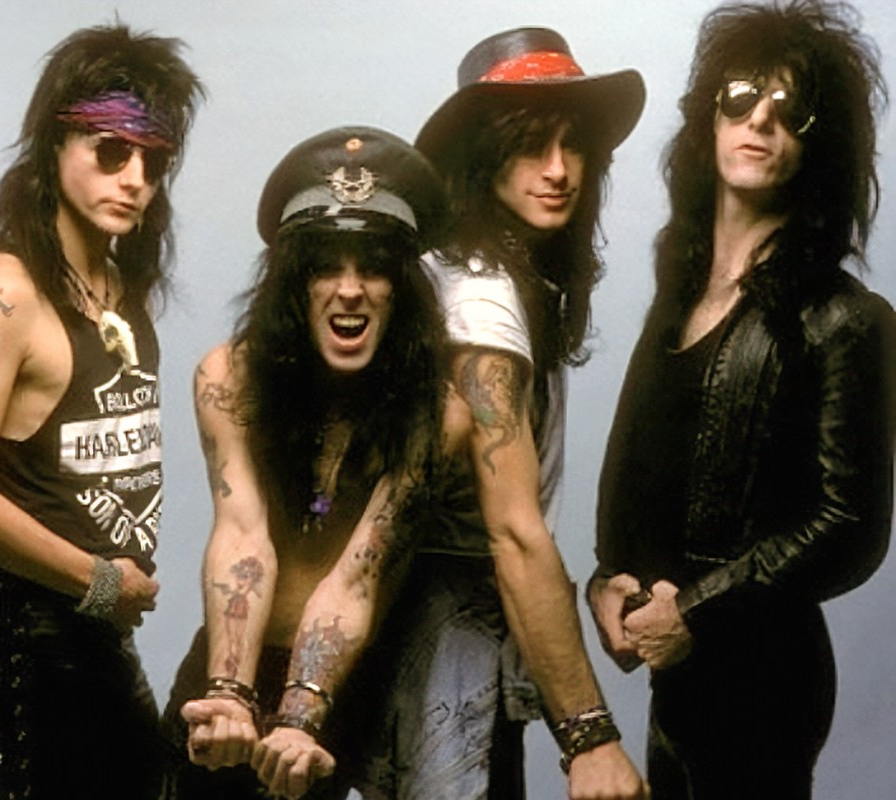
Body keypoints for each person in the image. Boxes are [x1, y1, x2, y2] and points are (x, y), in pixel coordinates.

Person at [589, 1, 894, 797]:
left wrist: (695, 608)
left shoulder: (845, 320)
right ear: (708, 119)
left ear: (819, 145)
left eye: (791, 108)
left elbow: (850, 527)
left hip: (764, 678)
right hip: (676, 675)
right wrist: (606, 576)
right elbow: (643, 464)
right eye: (740, 95)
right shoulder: (678, 295)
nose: (760, 117)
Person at [0, 23, 202, 800]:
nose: (134, 178)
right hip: (25, 627)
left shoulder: (117, 282)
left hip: (92, 626)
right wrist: (102, 582)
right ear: (54, 145)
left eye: (153, 160)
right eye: (110, 152)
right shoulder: (5, 291)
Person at [379, 27, 649, 799]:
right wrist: (590, 738)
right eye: (530, 145)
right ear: (481, 158)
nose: (558, 169)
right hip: (446, 613)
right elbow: (514, 532)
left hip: (454, 615)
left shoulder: (476, 272)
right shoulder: (482, 303)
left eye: (574, 145)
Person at [163, 125, 452, 800]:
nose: (349, 290)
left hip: (334, 692)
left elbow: (357, 575)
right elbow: (243, 533)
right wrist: (228, 692)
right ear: (294, 286)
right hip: (222, 672)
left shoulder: (435, 412)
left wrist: (297, 717)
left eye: (373, 268)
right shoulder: (228, 376)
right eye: (325, 267)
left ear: (400, 288)